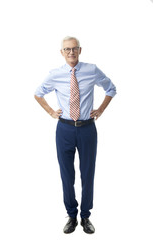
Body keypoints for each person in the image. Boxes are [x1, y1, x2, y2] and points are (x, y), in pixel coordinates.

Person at [34, 36, 116, 234]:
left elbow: (111, 88)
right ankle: (71, 215)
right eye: (67, 49)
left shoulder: (92, 70)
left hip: (88, 129)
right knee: (67, 175)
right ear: (62, 52)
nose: (71, 52)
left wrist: (101, 110)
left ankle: (85, 216)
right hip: (64, 130)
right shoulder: (55, 74)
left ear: (80, 50)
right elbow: (38, 93)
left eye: (74, 49)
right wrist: (51, 112)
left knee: (88, 174)